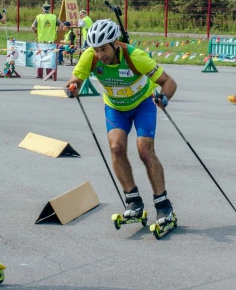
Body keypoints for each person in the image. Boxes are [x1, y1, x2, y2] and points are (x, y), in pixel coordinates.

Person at [65, 20, 178, 230]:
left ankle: (163, 205)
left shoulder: (135, 57)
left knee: (145, 150)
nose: (100, 55)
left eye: (104, 49)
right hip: (115, 107)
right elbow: (76, 79)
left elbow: (169, 82)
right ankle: (133, 201)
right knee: (116, 148)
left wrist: (165, 98)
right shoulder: (90, 57)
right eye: (96, 50)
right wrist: (72, 86)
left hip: (142, 104)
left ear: (115, 43)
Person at [31, 1, 64, 78]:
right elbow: (62, 24)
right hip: (51, 41)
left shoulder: (38, 17)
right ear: (49, 9)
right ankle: (49, 74)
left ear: (42, 9)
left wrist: (36, 32)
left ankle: (39, 75)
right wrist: (56, 32)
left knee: (40, 57)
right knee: (49, 57)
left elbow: (33, 26)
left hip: (41, 40)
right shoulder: (53, 17)